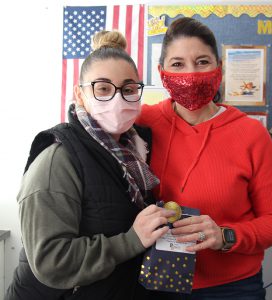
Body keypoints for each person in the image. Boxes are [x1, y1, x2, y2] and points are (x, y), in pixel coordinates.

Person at [5, 30, 176, 300]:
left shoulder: (135, 153)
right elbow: (51, 262)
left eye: (129, 89)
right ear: (81, 94)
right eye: (103, 88)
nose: (118, 99)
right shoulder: (57, 161)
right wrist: (132, 240)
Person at [136, 17, 272, 300]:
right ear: (161, 73)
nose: (191, 73)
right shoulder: (144, 122)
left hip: (232, 289)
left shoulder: (250, 134)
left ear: (219, 69)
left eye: (202, 62)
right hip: (157, 281)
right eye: (177, 64)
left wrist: (225, 236)